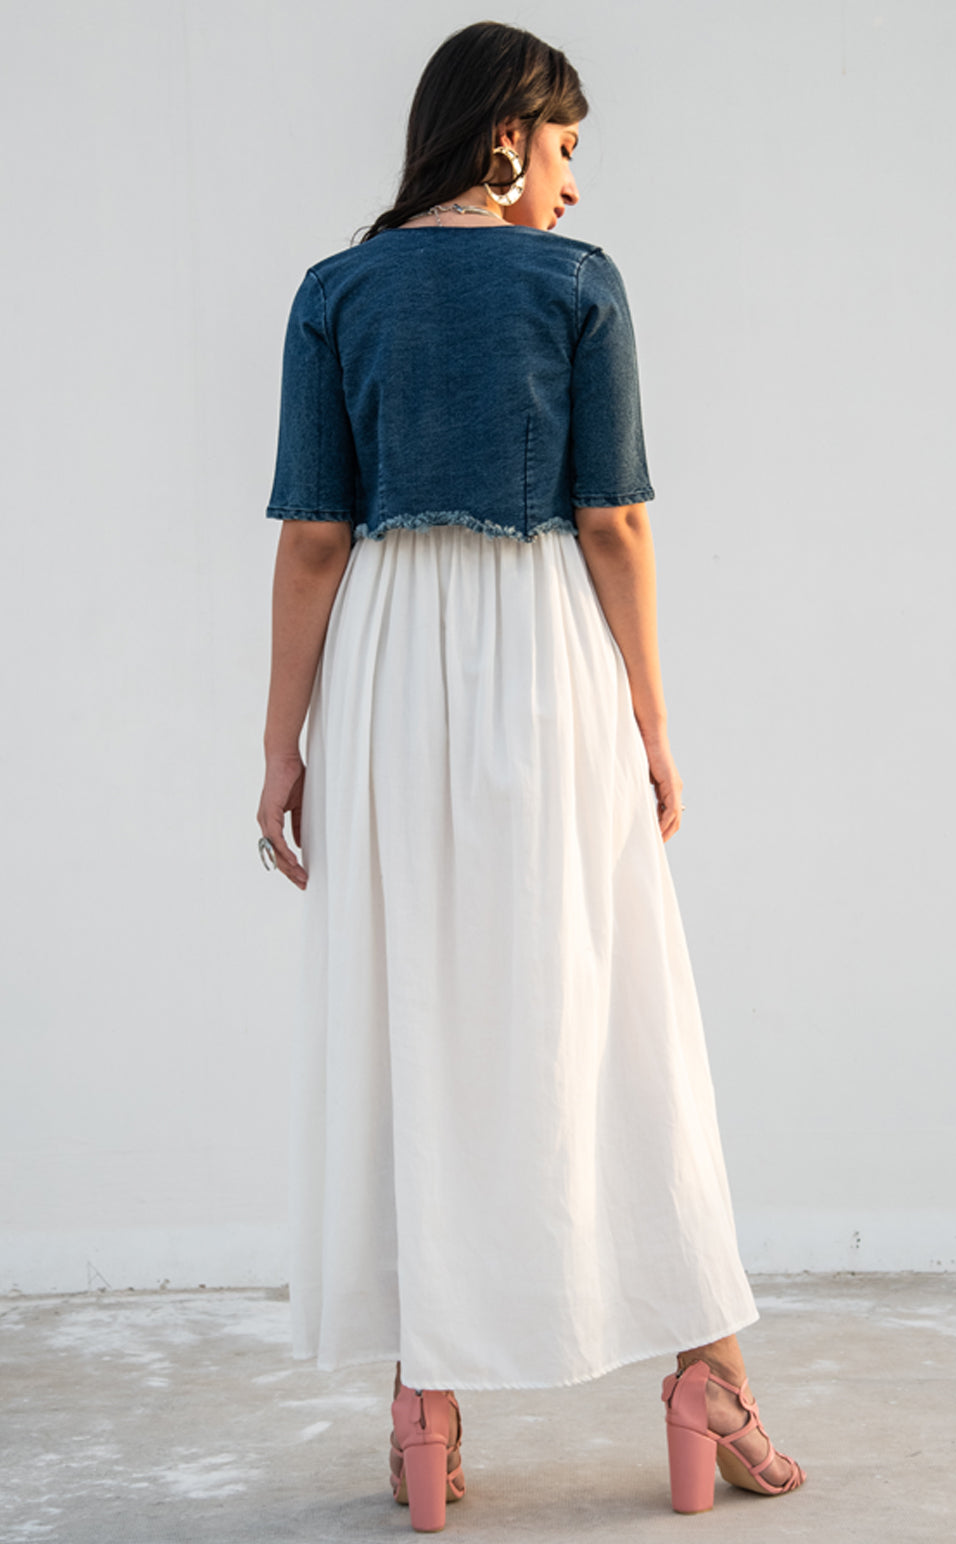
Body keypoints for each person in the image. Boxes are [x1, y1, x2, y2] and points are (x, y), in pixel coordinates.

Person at [256, 19, 806, 1533]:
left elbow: (312, 540)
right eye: (564, 147)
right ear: (507, 137)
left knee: (412, 1009)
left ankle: (424, 1411)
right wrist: (652, 717)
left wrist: (280, 740)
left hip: (384, 667)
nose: (571, 184)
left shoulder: (335, 292)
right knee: (618, 1000)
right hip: (544, 656)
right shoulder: (577, 284)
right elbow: (614, 523)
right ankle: (709, 1380)